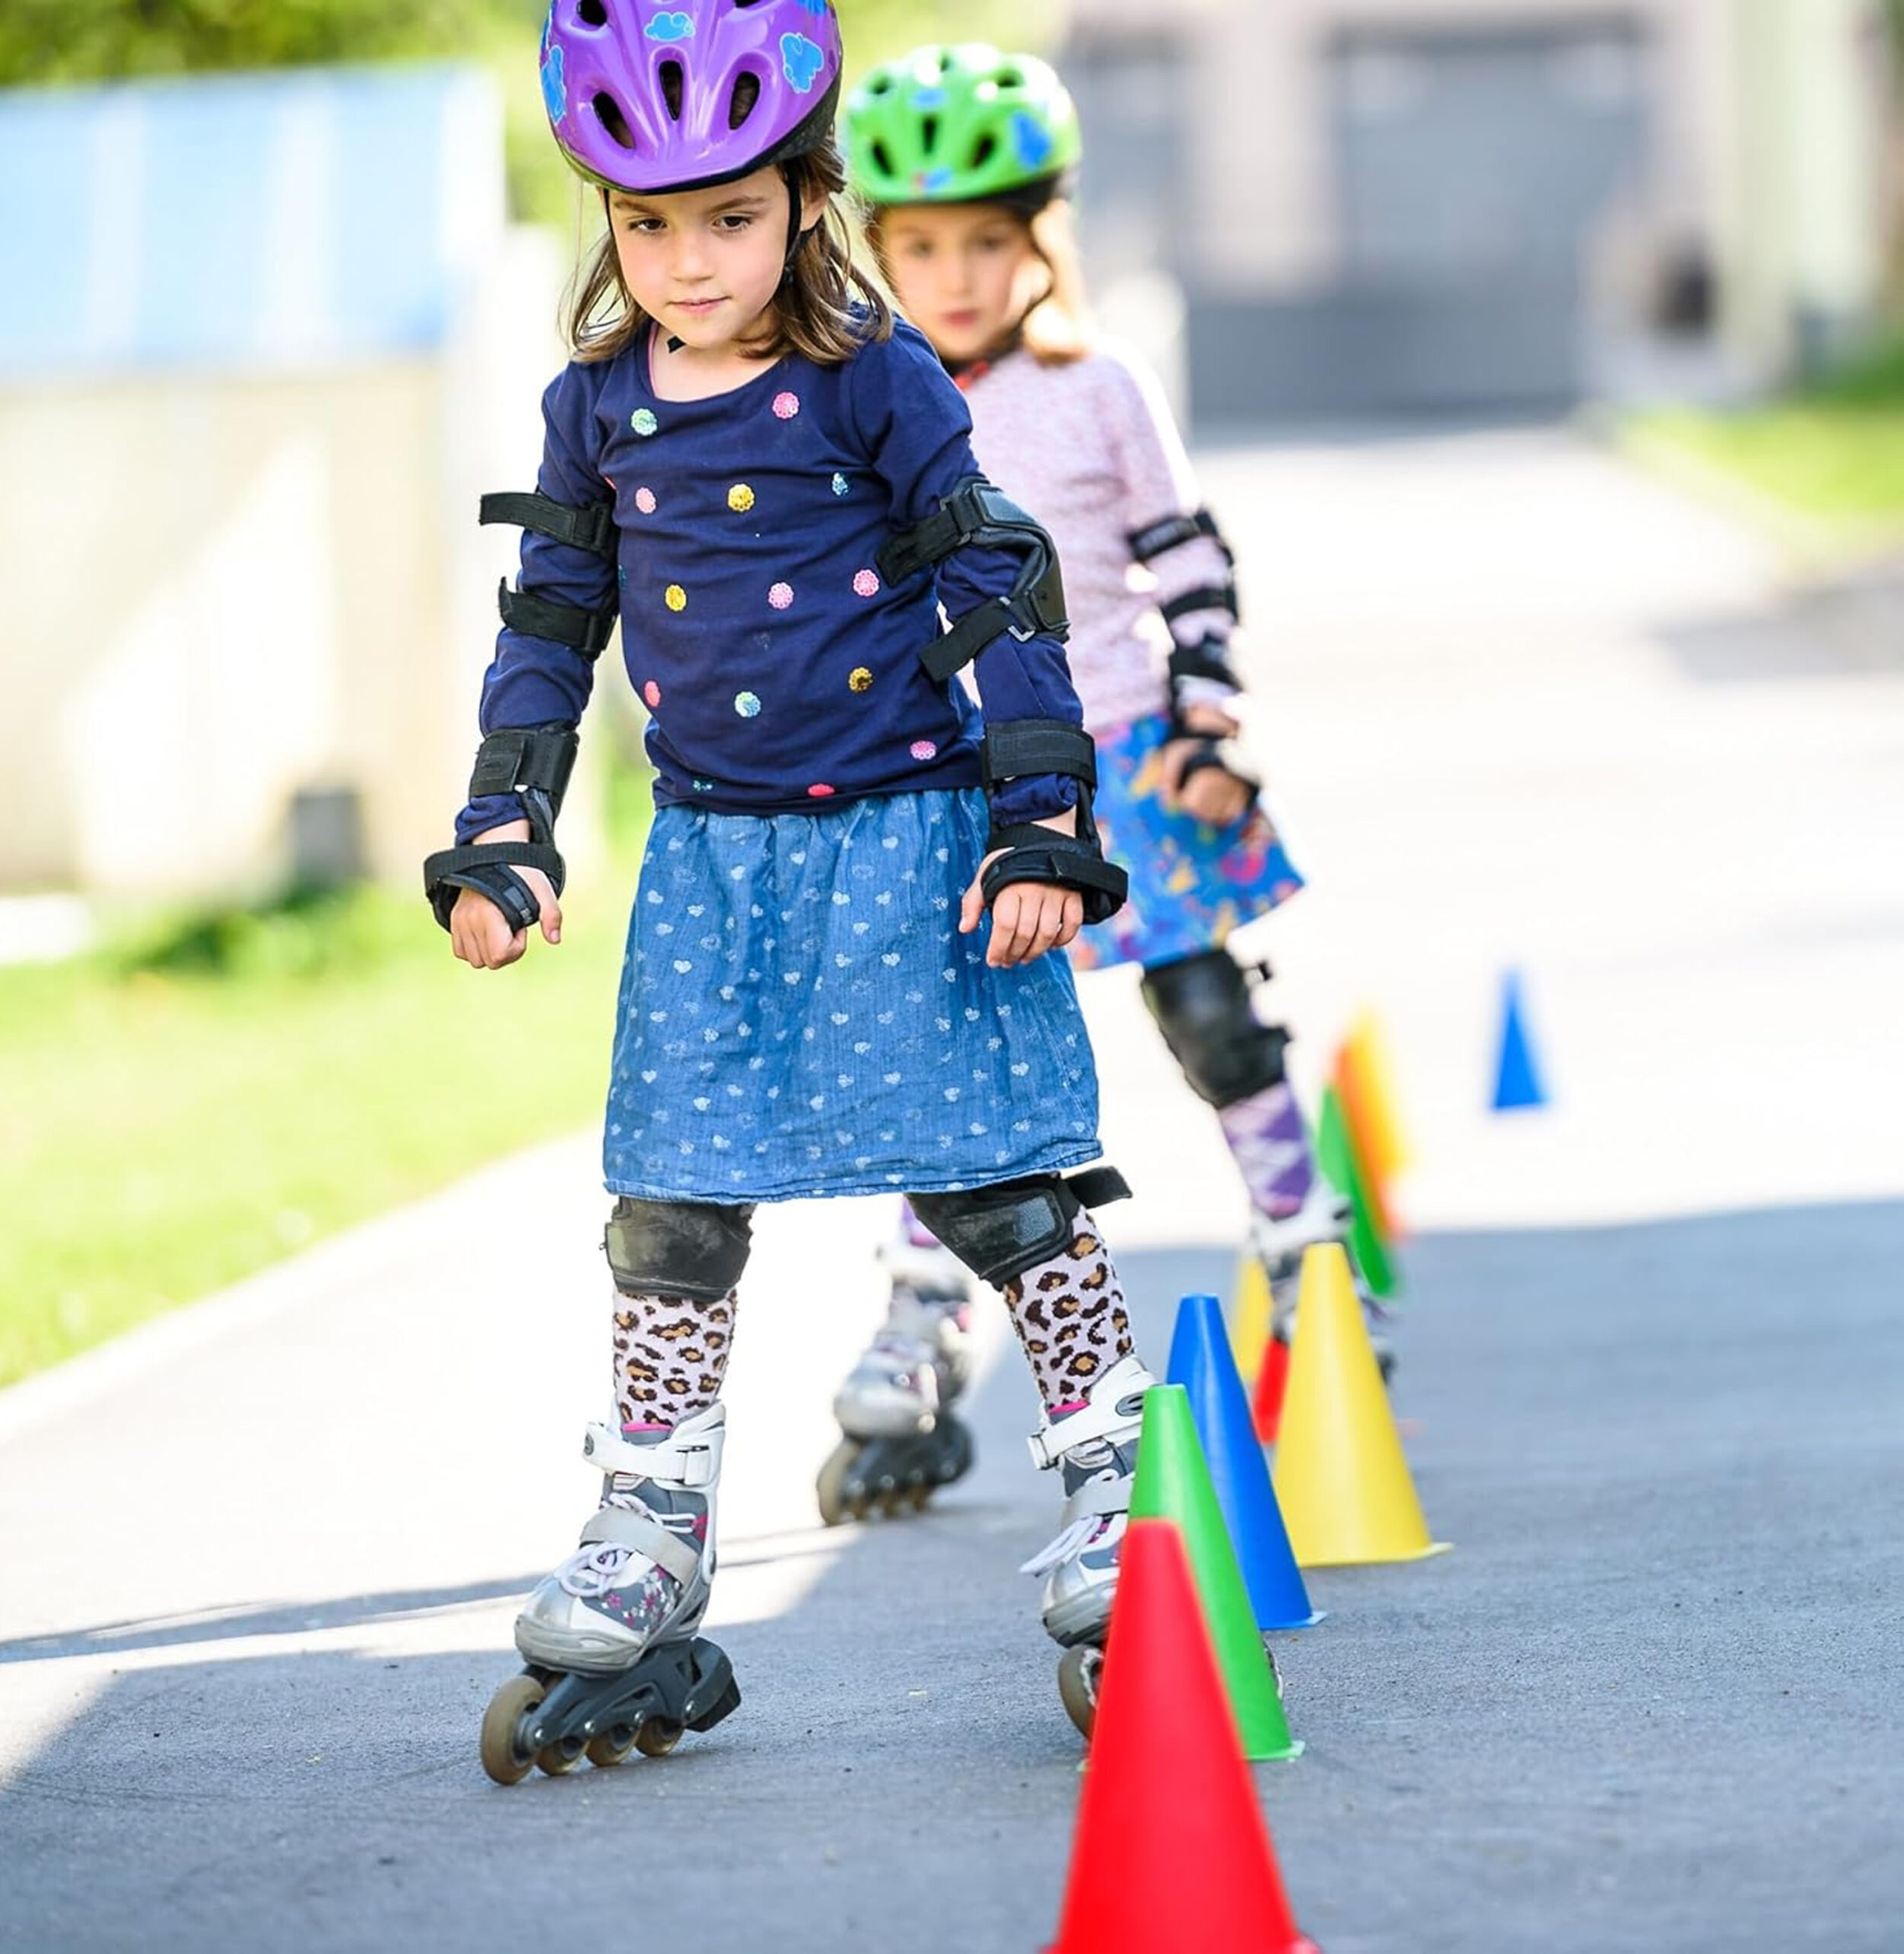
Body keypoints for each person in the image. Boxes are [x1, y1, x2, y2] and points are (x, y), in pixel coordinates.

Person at [428, 0, 1156, 1776]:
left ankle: (1117, 1485)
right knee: (669, 1213)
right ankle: (652, 1532)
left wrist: (1039, 807)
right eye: (647, 220)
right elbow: (548, 629)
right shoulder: (592, 403)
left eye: (730, 216)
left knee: (997, 1188)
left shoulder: (871, 373)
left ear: (804, 200)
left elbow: (990, 568)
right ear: (603, 214)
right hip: (712, 866)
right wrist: (507, 823)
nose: (688, 259)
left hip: (912, 837)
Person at [823, 44, 1392, 1523]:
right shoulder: (857, 401)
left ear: (1040, 241)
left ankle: (1300, 1242)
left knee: (1205, 1013)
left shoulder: (1097, 387)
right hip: (954, 782)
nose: (954, 275)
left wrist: (1206, 726)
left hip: (1128, 754)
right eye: (922, 246)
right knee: (947, 1066)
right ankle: (918, 1316)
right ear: (876, 251)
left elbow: (1185, 557)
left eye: (987, 242)